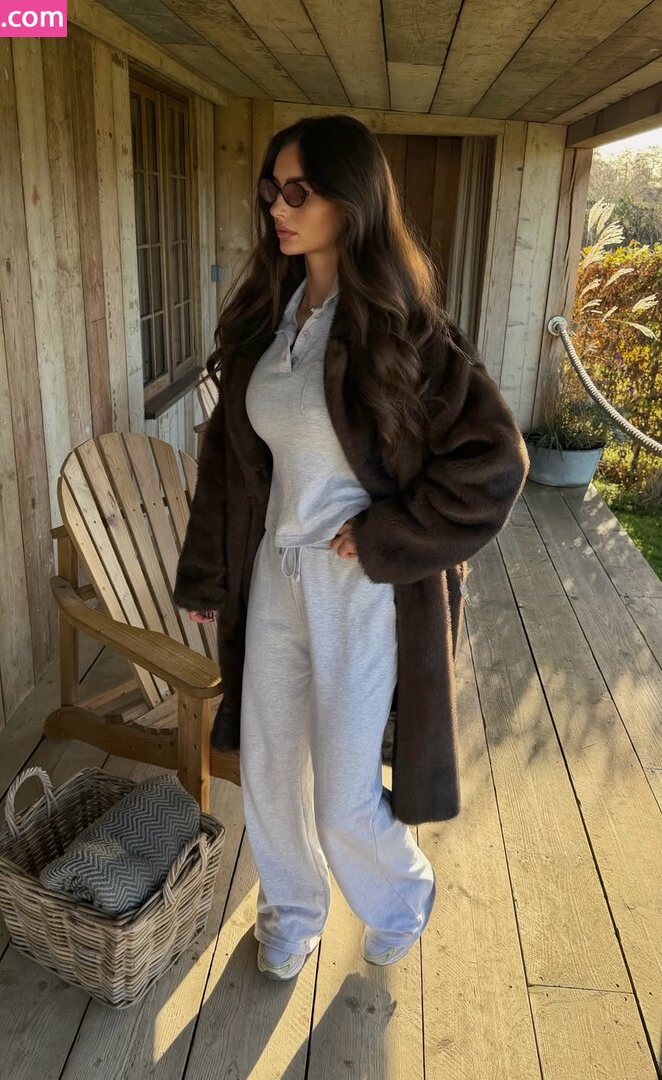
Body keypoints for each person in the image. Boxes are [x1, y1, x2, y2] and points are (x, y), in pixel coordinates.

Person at [173, 115, 529, 982]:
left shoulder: (405, 330)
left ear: (353, 199)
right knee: (267, 770)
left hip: (360, 588)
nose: (278, 207)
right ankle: (291, 912)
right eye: (272, 189)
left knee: (342, 795)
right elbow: (228, 462)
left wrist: (385, 536)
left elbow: (494, 462)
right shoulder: (268, 319)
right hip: (274, 578)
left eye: (299, 191)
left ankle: (401, 896)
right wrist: (209, 573)